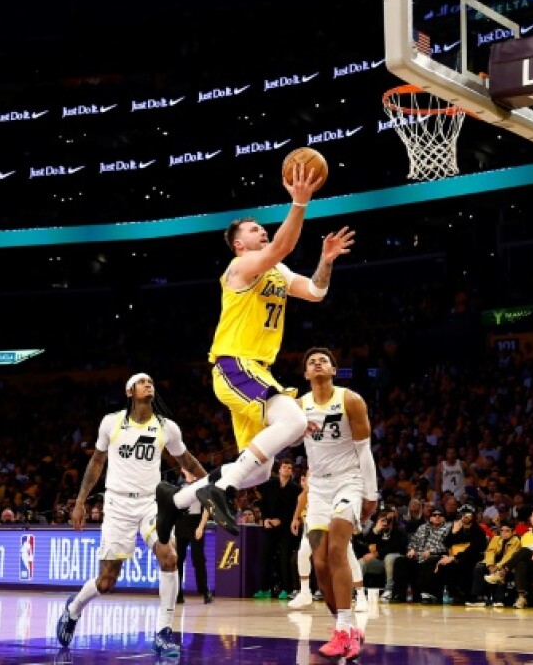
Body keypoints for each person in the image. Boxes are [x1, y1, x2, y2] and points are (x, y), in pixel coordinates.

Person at [156, 166, 355, 540]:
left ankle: (177, 500)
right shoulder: (241, 267)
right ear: (239, 245)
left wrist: (326, 262)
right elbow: (282, 245)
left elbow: (315, 292)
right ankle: (222, 489)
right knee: (294, 423)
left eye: (261, 226)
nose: (261, 230)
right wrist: (299, 202)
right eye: (253, 229)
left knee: (261, 471)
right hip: (235, 363)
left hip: (257, 370)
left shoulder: (277, 272)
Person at [55, 373, 209, 657]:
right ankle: (74, 608)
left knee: (170, 557)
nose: (148, 384)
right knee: (106, 582)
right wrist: (80, 501)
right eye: (142, 382)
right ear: (129, 391)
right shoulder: (111, 423)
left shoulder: (166, 427)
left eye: (151, 381)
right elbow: (96, 462)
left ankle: (164, 631)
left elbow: (186, 460)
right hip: (117, 505)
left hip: (151, 503)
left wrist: (212, 484)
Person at [290, 347, 376, 660]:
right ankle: (345, 627)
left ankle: (343, 631)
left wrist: (372, 493)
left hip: (348, 482)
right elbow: (285, 438)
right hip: (318, 490)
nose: (316, 363)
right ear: (305, 374)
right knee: (320, 564)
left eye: (322, 360)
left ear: (333, 370)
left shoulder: (350, 400)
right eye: (310, 361)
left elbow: (364, 450)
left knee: (338, 550)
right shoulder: (298, 406)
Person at [288, 469, 369, 612]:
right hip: (315, 524)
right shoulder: (311, 482)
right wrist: (295, 518)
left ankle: (361, 596)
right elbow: (302, 498)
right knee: (302, 553)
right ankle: (305, 592)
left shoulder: (336, 480)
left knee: (348, 556)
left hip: (335, 521)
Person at [256, 460, 302, 599]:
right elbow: (263, 504)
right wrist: (265, 519)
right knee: (265, 557)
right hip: (269, 525)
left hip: (286, 528)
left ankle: (286, 589)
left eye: (289, 467)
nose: (286, 469)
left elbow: (295, 509)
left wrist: (280, 520)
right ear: (279, 469)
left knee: (284, 557)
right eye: (284, 467)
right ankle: (264, 589)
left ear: (292, 471)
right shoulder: (269, 485)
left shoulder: (296, 488)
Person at [175, 471, 212, 605]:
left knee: (198, 559)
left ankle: (204, 591)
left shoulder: (201, 485)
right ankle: (177, 593)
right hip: (180, 523)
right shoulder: (179, 485)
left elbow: (207, 507)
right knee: (177, 560)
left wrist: (201, 526)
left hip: (195, 523)